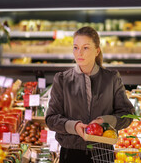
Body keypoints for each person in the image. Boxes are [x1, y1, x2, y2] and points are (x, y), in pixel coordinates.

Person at [46, 26, 134, 163]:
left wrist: (104, 122)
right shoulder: (62, 79)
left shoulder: (111, 78)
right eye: (76, 47)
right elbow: (51, 119)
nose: (79, 53)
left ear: (97, 51)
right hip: (71, 154)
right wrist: (74, 126)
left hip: (103, 154)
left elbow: (127, 114)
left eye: (85, 48)